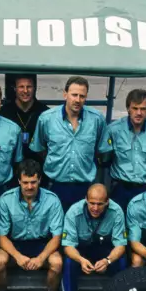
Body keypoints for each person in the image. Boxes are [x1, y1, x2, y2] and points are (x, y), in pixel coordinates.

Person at [0, 160, 65, 291]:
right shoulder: (6, 199)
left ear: (39, 180)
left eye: (33, 182)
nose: (29, 186)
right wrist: (18, 257)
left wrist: (41, 258)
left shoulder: (52, 200)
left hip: (42, 244)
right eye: (25, 182)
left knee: (57, 263)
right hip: (14, 244)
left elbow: (56, 237)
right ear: (19, 181)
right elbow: (2, 237)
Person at [30, 76, 108, 209]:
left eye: (82, 96)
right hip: (54, 186)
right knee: (55, 228)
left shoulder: (97, 119)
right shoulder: (47, 119)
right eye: (74, 95)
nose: (77, 100)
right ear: (65, 94)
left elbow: (102, 150)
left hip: (85, 188)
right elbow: (39, 148)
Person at [60, 183, 128, 291]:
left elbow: (120, 245)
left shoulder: (117, 211)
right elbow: (68, 246)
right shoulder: (73, 212)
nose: (95, 208)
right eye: (92, 203)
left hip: (105, 251)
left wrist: (107, 261)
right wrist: (80, 260)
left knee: (122, 262)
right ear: (86, 199)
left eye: (100, 204)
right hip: (82, 252)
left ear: (107, 202)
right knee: (68, 262)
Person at [100, 88, 146, 210]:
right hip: (120, 189)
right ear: (128, 108)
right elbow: (104, 161)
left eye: (143, 109)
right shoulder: (113, 130)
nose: (139, 113)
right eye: (135, 108)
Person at [0, 74, 49, 166]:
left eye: (29, 87)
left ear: (34, 88)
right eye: (21, 87)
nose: (25, 91)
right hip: (12, 166)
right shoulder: (4, 112)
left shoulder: (45, 112)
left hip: (39, 167)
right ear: (15, 88)